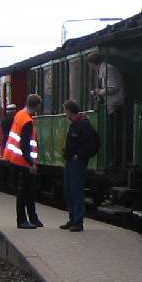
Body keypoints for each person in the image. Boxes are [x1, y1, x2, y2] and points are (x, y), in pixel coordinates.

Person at [4, 93, 43, 228]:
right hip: (23, 160)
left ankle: (32, 218)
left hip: (16, 157)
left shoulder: (20, 114)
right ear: (37, 106)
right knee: (25, 190)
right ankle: (22, 220)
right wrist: (31, 163)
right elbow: (25, 144)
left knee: (28, 189)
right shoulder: (27, 121)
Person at [60, 99, 100, 232]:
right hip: (70, 161)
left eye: (65, 110)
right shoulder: (74, 124)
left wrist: (78, 156)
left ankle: (78, 221)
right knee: (69, 190)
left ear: (70, 110)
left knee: (76, 191)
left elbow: (90, 145)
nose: (64, 113)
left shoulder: (83, 125)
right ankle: (72, 219)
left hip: (77, 163)